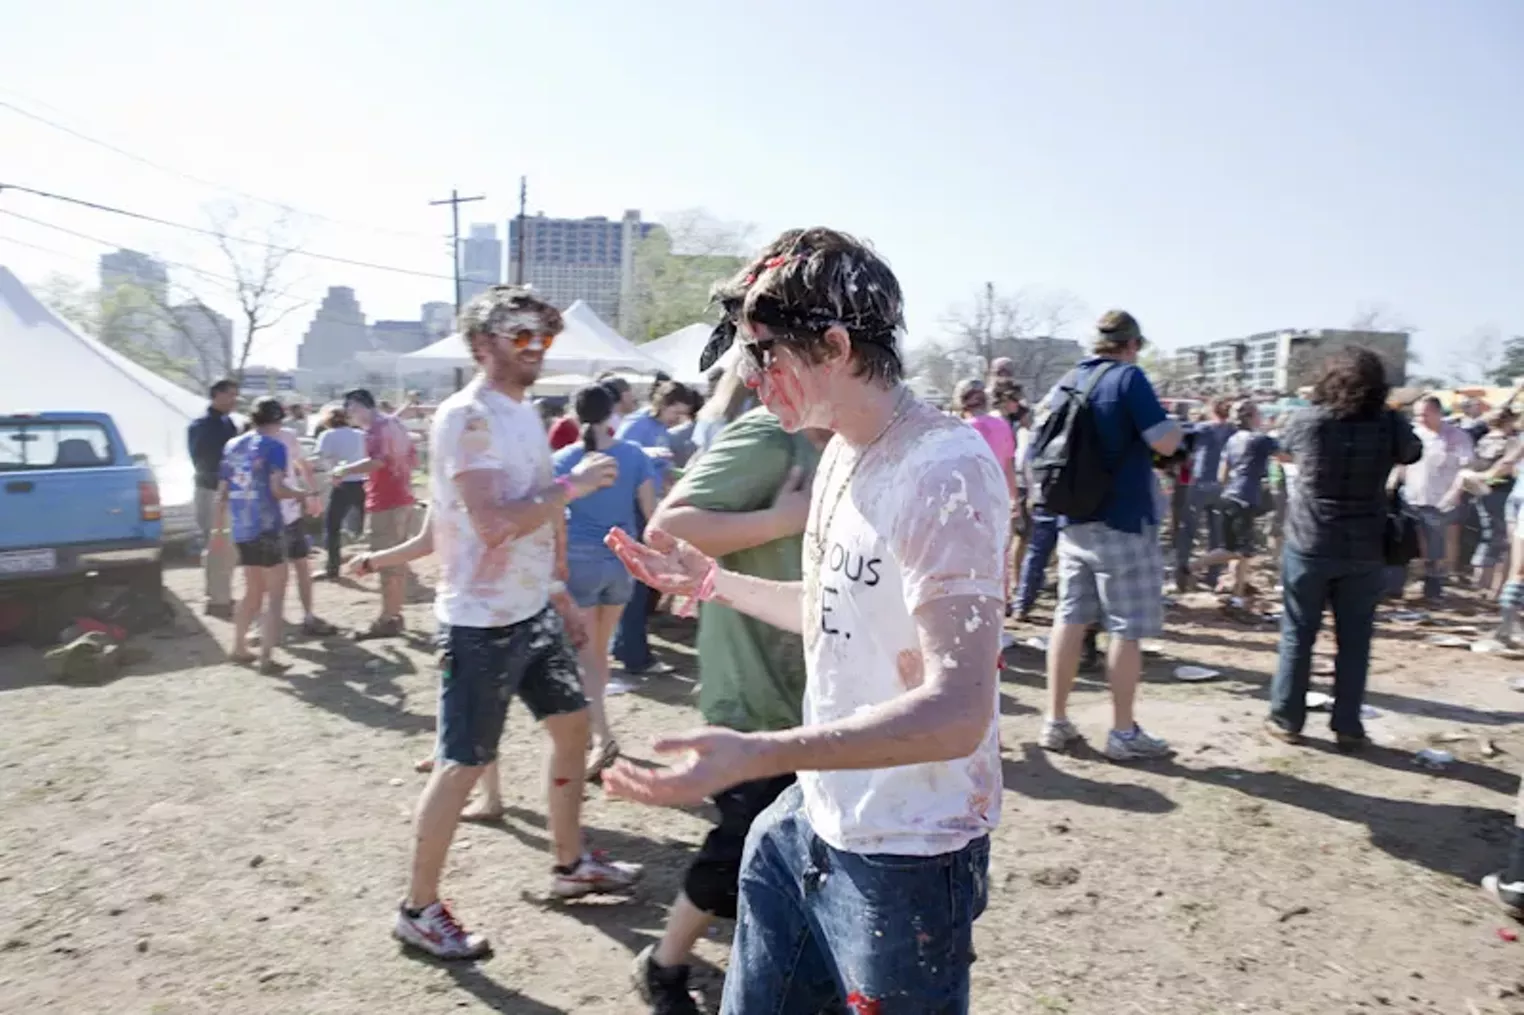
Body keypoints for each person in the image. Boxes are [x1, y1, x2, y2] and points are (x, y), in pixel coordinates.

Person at [604, 227, 1007, 1013]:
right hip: (806, 822)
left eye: (764, 355)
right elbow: (840, 614)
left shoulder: (945, 470)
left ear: (833, 345)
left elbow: (960, 713)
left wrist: (759, 753)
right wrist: (714, 582)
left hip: (907, 854)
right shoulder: (839, 455)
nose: (750, 379)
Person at [392, 285, 641, 962]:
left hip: (530, 612)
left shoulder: (523, 412)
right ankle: (417, 909)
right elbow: (497, 524)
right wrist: (575, 485)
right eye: (520, 336)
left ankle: (569, 864)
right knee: (462, 764)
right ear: (481, 345)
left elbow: (540, 517)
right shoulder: (467, 417)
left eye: (543, 337)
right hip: (479, 623)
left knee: (572, 729)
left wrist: (558, 590)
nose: (536, 347)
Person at [630, 405, 822, 1014]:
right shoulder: (771, 435)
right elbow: (670, 525)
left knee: (795, 843)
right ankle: (663, 964)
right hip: (751, 691)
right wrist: (779, 518)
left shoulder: (843, 441)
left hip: (805, 692)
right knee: (740, 842)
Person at [1039, 310, 1183, 761]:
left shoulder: (1068, 378)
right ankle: (1123, 732)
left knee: (1069, 619)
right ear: (1133, 344)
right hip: (1123, 520)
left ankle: (1055, 722)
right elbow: (1164, 442)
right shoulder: (1128, 378)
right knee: (1126, 628)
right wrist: (1177, 429)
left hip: (1073, 520)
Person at [1265, 348, 1421, 750]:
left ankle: (1287, 719)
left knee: (1298, 635)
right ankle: (1348, 725)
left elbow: (1283, 450)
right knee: (1355, 641)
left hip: (1310, 541)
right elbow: (1412, 452)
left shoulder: (1308, 419)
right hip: (1364, 546)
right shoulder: (1389, 422)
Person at [552, 384, 658, 778]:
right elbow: (652, 512)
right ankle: (599, 732)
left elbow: (551, 515)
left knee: (584, 656)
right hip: (621, 561)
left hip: (579, 563)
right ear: (612, 411)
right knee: (598, 652)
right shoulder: (633, 455)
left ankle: (601, 735)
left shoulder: (564, 460)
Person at [214, 398, 306, 674]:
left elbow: (222, 492)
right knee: (275, 593)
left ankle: (238, 646)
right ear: (278, 421)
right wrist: (300, 494)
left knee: (252, 590)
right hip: (267, 525)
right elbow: (277, 489)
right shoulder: (274, 447)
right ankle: (267, 656)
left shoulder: (232, 446)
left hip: (241, 526)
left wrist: (217, 529)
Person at [612, 380, 695, 677]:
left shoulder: (661, 430)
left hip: (651, 506)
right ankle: (633, 652)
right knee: (636, 581)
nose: (678, 419)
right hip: (635, 509)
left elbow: (657, 469)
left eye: (683, 414)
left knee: (642, 582)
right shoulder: (636, 425)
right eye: (676, 411)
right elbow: (619, 459)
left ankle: (625, 643)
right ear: (663, 402)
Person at [334, 388, 418, 639]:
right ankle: (394, 613)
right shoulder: (394, 423)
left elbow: (378, 461)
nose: (349, 414)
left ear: (360, 405)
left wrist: (343, 470)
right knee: (398, 559)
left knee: (386, 561)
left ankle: (388, 618)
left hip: (387, 501)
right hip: (402, 497)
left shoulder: (376, 429)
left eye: (350, 408)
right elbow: (412, 459)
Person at [1195, 401, 1285, 604]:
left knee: (1239, 550)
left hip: (1229, 495)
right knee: (1238, 550)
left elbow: (1222, 475)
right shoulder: (1260, 439)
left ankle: (1237, 594)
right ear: (1252, 416)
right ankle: (1191, 567)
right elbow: (1286, 456)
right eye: (1259, 413)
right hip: (1246, 497)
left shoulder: (1233, 439)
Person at [1393, 395, 1473, 602]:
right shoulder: (1413, 434)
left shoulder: (1456, 437)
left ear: (1438, 412)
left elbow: (1465, 469)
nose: (1421, 418)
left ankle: (1435, 587)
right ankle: (1411, 583)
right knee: (1416, 543)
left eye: (1425, 414)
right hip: (1412, 497)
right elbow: (1402, 464)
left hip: (1441, 499)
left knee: (1438, 545)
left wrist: (1455, 493)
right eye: (1418, 414)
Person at [268, 418, 336, 636]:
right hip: (269, 516)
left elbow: (303, 465)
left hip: (289, 512)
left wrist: (313, 493)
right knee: (274, 572)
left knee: (301, 565)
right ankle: (272, 620)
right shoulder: (253, 441)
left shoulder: (287, 436)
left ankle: (307, 616)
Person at [188, 378, 240, 618]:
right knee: (216, 543)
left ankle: (222, 594)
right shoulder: (202, 425)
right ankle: (217, 599)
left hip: (227, 490)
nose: (234, 400)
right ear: (216, 395)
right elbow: (204, 460)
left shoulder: (228, 423)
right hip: (211, 490)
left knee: (227, 547)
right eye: (230, 394)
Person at [1173, 398, 1235, 591]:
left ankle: (1181, 575)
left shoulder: (1201, 428)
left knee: (1187, 531)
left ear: (1212, 410)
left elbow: (1180, 446)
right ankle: (1213, 576)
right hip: (1222, 485)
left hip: (1199, 484)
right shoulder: (1234, 430)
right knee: (1216, 534)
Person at [315, 405, 368, 580]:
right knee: (373, 526)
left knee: (332, 527)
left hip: (342, 484)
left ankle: (332, 568)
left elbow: (321, 457)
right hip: (364, 482)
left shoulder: (327, 435)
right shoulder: (361, 435)